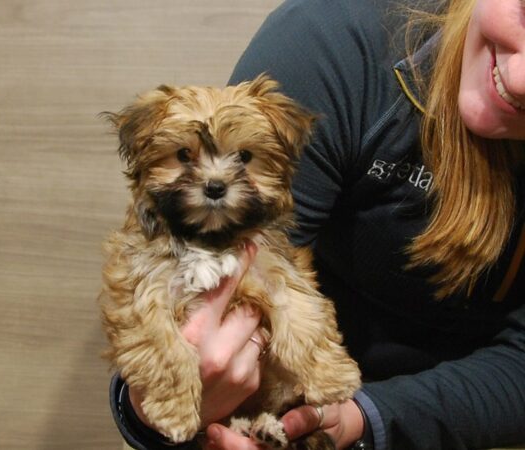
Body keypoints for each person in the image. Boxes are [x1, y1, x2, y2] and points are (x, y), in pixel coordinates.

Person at [109, 0, 525, 448]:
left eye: (242, 159)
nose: (519, 78)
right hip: (284, 409)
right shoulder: (334, 44)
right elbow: (184, 320)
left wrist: (364, 420)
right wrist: (147, 412)